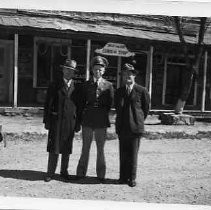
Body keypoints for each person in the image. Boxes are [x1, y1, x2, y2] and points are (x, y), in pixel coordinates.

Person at [76, 55, 114, 182]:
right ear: (92, 70)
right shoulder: (86, 85)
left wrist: (102, 113)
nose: (98, 71)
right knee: (85, 147)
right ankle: (81, 173)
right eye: (96, 69)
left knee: (100, 149)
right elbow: (81, 103)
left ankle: (101, 175)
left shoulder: (108, 85)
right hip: (87, 118)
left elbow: (109, 104)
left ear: (104, 71)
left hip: (101, 120)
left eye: (100, 69)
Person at [43, 59, 81, 182]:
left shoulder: (77, 87)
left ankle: (64, 172)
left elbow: (79, 107)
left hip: (70, 121)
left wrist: (77, 123)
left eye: (72, 71)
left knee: (66, 147)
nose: (69, 72)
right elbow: (47, 104)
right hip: (56, 120)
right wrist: (47, 121)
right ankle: (50, 172)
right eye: (67, 69)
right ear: (63, 70)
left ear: (74, 73)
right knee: (54, 147)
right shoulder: (54, 84)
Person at [114, 63, 150, 187]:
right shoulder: (119, 92)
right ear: (122, 77)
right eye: (125, 74)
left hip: (135, 128)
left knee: (133, 155)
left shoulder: (142, 90)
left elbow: (145, 110)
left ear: (134, 76)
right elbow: (118, 109)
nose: (127, 76)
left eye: (130, 74)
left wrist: (137, 120)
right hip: (122, 127)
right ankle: (122, 177)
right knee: (123, 154)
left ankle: (132, 178)